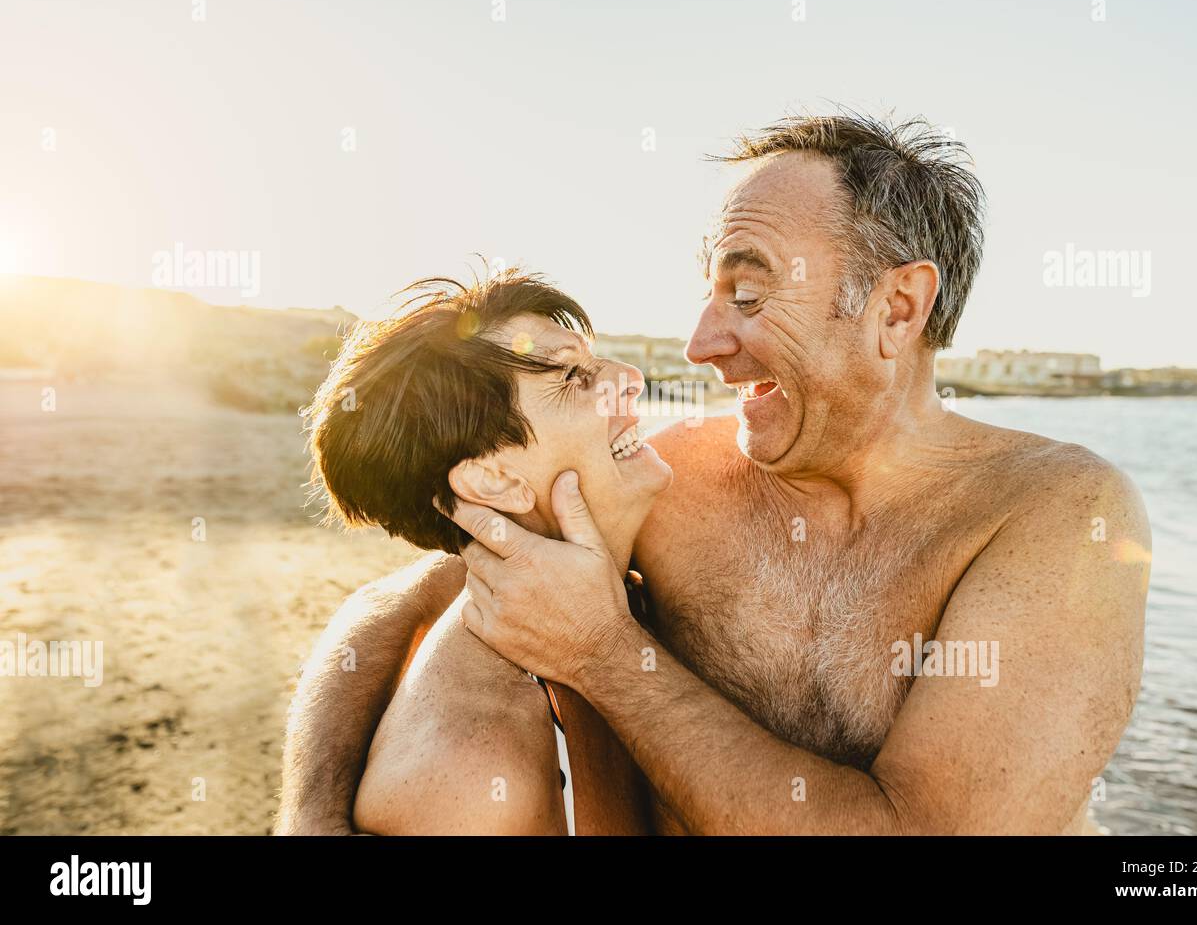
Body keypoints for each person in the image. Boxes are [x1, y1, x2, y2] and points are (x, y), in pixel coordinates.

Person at [278, 112, 1151, 836]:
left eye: (747, 294)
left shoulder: (1057, 518)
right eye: (708, 291)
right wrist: (310, 815)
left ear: (896, 309)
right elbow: (407, 596)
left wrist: (607, 655)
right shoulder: (671, 476)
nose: (700, 344)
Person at [286, 270, 669, 834]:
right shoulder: (476, 779)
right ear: (493, 481)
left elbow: (402, 591)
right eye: (571, 376)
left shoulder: (646, 551)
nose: (631, 379)